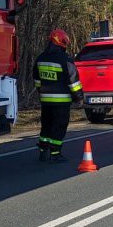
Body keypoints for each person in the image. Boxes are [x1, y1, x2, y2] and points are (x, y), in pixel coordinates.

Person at [33, 29, 83, 162]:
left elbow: (37, 79)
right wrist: (78, 97)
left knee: (46, 125)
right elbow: (73, 82)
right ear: (62, 43)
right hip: (61, 101)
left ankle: (43, 150)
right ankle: (55, 153)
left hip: (45, 100)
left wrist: (41, 92)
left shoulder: (40, 58)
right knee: (59, 126)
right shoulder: (65, 60)